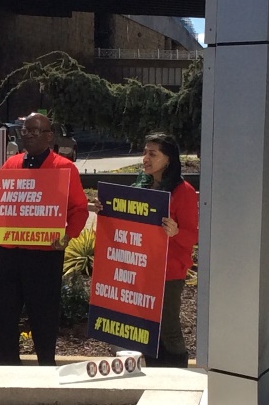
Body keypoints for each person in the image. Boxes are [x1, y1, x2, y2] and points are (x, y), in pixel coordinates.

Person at [0, 112, 88, 366]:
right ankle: (7, 368)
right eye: (25, 131)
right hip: (10, 254)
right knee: (4, 316)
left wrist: (68, 236)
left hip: (45, 254)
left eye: (35, 131)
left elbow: (79, 209)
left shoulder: (64, 168)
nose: (28, 135)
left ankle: (46, 369)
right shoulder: (11, 164)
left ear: (49, 136)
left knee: (43, 318)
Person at [110, 132, 198, 367]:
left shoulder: (184, 191)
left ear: (168, 159)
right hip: (141, 268)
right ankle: (154, 369)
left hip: (169, 273)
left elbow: (193, 235)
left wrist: (176, 232)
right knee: (143, 326)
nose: (145, 158)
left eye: (152, 153)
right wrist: (105, 209)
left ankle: (179, 372)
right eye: (144, 152)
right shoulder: (141, 185)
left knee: (167, 327)